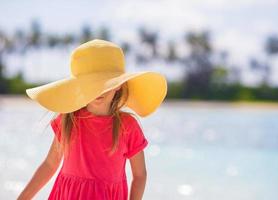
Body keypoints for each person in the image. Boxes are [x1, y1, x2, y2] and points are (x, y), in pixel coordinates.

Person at [17, 39, 167, 200]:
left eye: (105, 83)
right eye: (91, 84)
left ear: (118, 85)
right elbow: (50, 164)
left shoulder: (127, 126)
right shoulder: (69, 119)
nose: (98, 90)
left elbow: (140, 174)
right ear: (79, 86)